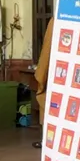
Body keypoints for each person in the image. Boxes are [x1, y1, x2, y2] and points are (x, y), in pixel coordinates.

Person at [32, 17, 54, 149]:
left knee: (48, 104)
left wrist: (40, 74)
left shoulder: (56, 20)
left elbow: (47, 49)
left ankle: (48, 140)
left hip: (56, 75)